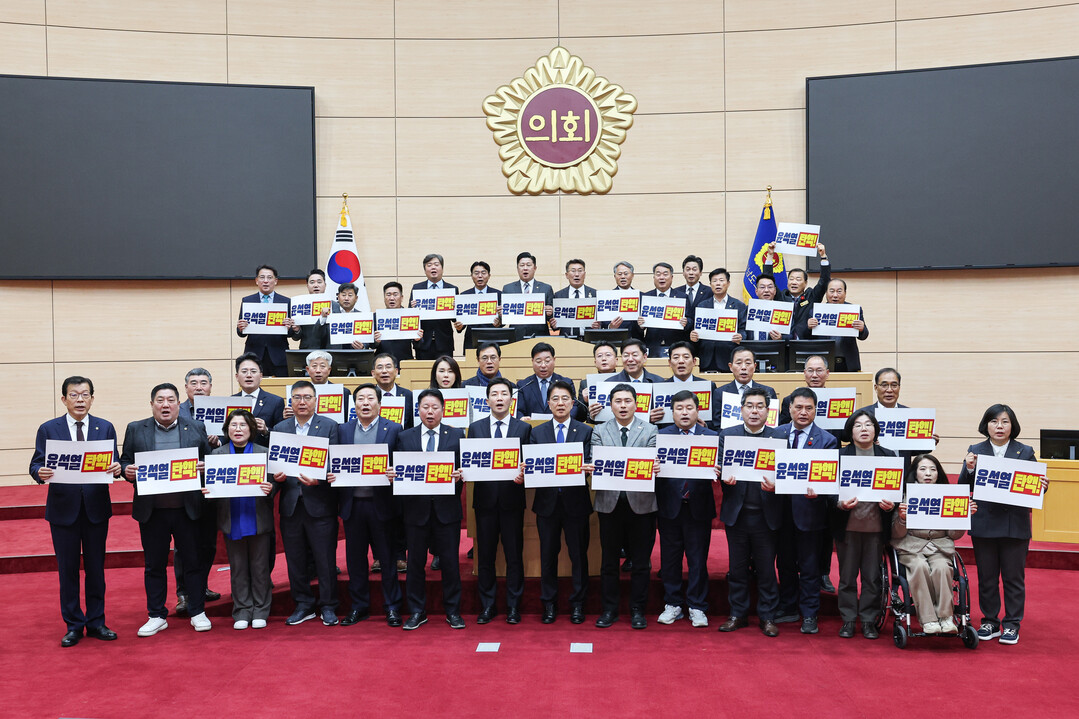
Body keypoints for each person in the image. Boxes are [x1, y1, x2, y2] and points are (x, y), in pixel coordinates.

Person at [29, 376, 122, 647]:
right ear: (64, 399)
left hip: (95, 509)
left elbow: (114, 462)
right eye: (74, 395)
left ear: (92, 398)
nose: (80, 400)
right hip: (63, 510)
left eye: (85, 394)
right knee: (67, 570)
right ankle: (73, 625)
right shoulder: (49, 429)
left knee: (96, 569)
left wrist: (116, 468)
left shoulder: (105, 427)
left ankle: (96, 622)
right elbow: (35, 464)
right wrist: (39, 471)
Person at [120, 383, 213, 636]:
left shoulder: (196, 427)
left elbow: (209, 459)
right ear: (152, 404)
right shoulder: (136, 428)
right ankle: (156, 615)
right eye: (160, 400)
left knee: (193, 563)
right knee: (154, 565)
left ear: (178, 404)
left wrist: (205, 466)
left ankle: (197, 611)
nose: (165, 405)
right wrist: (127, 471)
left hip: (187, 509)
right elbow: (125, 461)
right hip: (153, 512)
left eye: (171, 400)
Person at [959, 404, 1046, 646]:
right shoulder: (975, 450)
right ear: (986, 425)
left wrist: (1042, 486)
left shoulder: (1025, 451)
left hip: (1014, 524)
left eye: (1005, 421)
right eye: (994, 421)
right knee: (987, 577)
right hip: (985, 523)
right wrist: (969, 469)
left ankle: (1011, 624)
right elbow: (962, 486)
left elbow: (1034, 488)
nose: (999, 426)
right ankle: (989, 621)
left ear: (1012, 425)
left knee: (1013, 578)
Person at [390, 389, 467, 630]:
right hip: (416, 511)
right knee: (415, 564)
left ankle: (453, 611)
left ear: (443, 410)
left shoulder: (456, 435)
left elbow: (465, 469)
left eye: (435, 407)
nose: (430, 412)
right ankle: (416, 611)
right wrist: (393, 475)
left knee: (450, 564)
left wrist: (460, 476)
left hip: (447, 510)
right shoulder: (405, 437)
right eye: (425, 407)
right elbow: (399, 470)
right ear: (418, 410)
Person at [271, 380, 341, 627]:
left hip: (320, 503)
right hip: (291, 505)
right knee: (295, 559)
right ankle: (303, 604)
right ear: (290, 401)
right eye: (297, 397)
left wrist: (319, 479)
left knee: (325, 559)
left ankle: (329, 605)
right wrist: (276, 478)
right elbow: (274, 466)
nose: (302, 402)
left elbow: (335, 463)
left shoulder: (330, 426)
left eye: (307, 397)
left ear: (316, 400)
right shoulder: (280, 428)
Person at [717, 387, 784, 637]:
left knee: (766, 570)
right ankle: (738, 614)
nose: (754, 411)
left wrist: (778, 484)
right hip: (737, 514)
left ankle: (768, 616)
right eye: (749, 406)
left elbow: (786, 475)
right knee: (737, 568)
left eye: (759, 406)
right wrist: (723, 476)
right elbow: (718, 468)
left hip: (767, 516)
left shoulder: (778, 437)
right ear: (741, 409)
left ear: (768, 411)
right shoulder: (728, 435)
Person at [336, 384, 403, 627]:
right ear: (354, 405)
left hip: (381, 504)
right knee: (355, 560)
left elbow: (401, 462)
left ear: (380, 404)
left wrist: (396, 471)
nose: (365, 403)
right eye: (360, 399)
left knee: (387, 559)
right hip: (353, 504)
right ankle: (359, 606)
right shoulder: (343, 430)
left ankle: (392, 607)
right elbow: (335, 461)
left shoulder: (393, 429)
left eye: (370, 398)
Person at [592, 384, 658, 630]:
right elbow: (596, 460)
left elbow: (650, 461)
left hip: (641, 505)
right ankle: (609, 610)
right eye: (617, 401)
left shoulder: (650, 429)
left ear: (636, 404)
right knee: (609, 562)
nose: (622, 405)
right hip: (609, 504)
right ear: (610, 405)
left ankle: (638, 610)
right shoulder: (599, 430)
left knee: (641, 562)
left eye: (627, 401)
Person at [529, 380, 594, 624]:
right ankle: (549, 604)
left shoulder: (585, 431)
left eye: (565, 398)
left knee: (578, 556)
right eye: (555, 399)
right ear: (548, 403)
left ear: (573, 403)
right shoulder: (537, 433)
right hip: (547, 504)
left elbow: (589, 461)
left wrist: (588, 466)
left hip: (576, 503)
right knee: (547, 556)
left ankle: (578, 604)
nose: (560, 403)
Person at [773, 387, 837, 635]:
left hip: (810, 512)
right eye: (798, 407)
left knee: (810, 567)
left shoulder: (827, 440)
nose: (803, 412)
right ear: (789, 408)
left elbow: (828, 479)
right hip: (780, 512)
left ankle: (810, 613)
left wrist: (819, 490)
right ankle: (788, 607)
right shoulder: (775, 434)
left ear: (815, 410)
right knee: (785, 563)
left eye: (808, 408)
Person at [468, 378, 532, 624]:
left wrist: (525, 472)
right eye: (494, 394)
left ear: (511, 399)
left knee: (514, 556)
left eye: (504, 393)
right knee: (485, 556)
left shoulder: (523, 429)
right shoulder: (475, 428)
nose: (499, 398)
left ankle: (513, 606)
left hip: (512, 501)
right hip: (484, 502)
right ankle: (488, 606)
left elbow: (529, 465)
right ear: (487, 401)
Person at [205, 410, 274, 630]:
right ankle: (242, 609)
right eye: (233, 425)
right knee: (238, 567)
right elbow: (212, 485)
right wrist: (208, 490)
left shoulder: (264, 453)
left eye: (243, 425)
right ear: (227, 429)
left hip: (258, 516)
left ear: (251, 429)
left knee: (260, 567)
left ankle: (261, 609)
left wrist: (271, 487)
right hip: (231, 516)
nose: (238, 429)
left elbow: (275, 483)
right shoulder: (217, 454)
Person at [893, 454, 976, 635]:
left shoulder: (949, 495)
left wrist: (963, 517)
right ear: (915, 473)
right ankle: (929, 619)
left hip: (940, 546)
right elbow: (896, 534)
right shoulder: (903, 495)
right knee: (920, 567)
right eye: (922, 469)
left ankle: (946, 618)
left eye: (933, 469)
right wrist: (902, 519)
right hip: (911, 547)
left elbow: (953, 535)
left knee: (942, 568)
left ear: (939, 473)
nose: (928, 473)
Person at [656, 390, 718, 628]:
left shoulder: (711, 437)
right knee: (670, 560)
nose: (684, 412)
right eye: (679, 408)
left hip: (698, 507)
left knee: (698, 560)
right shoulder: (661, 436)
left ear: (698, 411)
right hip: (669, 507)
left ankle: (697, 605)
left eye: (689, 408)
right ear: (672, 412)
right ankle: (672, 603)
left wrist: (719, 468)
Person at [835, 409, 897, 639]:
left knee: (872, 578)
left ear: (875, 430)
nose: (864, 429)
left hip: (876, 527)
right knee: (847, 577)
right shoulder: (839, 456)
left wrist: (891, 505)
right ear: (850, 431)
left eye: (868, 424)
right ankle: (849, 620)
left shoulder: (888, 456)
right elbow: (829, 490)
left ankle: (869, 620)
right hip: (848, 526)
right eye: (858, 425)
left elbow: (898, 490)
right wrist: (840, 503)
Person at [174, 367, 221, 615]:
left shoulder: (221, 410)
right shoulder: (176, 411)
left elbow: (236, 437)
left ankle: (200, 586)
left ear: (210, 387)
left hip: (211, 485)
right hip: (184, 487)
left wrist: (218, 441)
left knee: (209, 542)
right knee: (184, 544)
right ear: (186, 388)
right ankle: (183, 593)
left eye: (204, 383)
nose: (199, 387)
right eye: (193, 383)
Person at [236, 264, 294, 377]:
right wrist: (241, 328)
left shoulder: (285, 301)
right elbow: (240, 333)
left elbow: (291, 333)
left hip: (278, 355)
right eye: (262, 277)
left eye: (269, 277)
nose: (266, 281)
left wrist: (289, 327)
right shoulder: (248, 301)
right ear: (256, 281)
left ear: (275, 281)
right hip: (254, 354)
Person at [766, 241, 830, 337]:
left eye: (798, 279)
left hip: (806, 342)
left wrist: (823, 256)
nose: (794, 282)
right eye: (791, 279)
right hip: (783, 341)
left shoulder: (811, 297)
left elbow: (824, 281)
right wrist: (770, 255)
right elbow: (768, 280)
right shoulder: (781, 297)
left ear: (805, 283)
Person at [689, 268, 747, 372]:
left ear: (728, 283)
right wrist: (694, 337)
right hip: (705, 357)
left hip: (728, 357)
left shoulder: (739, 305)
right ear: (710, 284)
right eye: (714, 281)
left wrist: (741, 336)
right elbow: (696, 330)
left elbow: (744, 329)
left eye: (721, 280)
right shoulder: (702, 306)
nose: (718, 284)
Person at [804, 278, 868, 371]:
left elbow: (864, 336)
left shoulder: (853, 310)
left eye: (839, 291)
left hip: (848, 362)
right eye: (831, 291)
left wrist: (861, 329)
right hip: (823, 362)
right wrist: (809, 327)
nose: (835, 295)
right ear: (826, 293)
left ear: (845, 293)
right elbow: (806, 337)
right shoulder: (815, 311)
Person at [712, 347, 777, 429]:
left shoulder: (768, 391)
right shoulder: (720, 393)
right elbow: (716, 425)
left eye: (748, 363)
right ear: (731, 367)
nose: (743, 367)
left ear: (754, 366)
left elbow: (774, 424)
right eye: (738, 363)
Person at [410, 254, 457, 360]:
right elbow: (411, 317)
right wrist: (413, 309)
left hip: (444, 343)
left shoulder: (452, 289)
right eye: (429, 265)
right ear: (425, 270)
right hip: (423, 343)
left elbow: (456, 319)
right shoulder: (417, 288)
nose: (433, 267)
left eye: (436, 264)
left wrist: (455, 309)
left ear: (442, 268)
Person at [638, 262, 689, 359]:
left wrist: (686, 322)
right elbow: (637, 327)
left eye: (665, 274)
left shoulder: (682, 297)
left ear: (672, 277)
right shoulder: (646, 297)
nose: (661, 277)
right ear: (654, 277)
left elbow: (690, 320)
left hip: (676, 344)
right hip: (652, 344)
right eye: (658, 274)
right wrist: (640, 326)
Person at [232, 353, 286, 442]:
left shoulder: (276, 402)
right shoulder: (231, 401)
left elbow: (282, 435)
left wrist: (266, 430)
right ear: (237, 377)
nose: (249, 375)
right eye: (244, 371)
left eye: (253, 371)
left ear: (261, 376)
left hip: (263, 448)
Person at [502, 251, 555, 341]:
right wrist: (501, 314)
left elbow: (553, 319)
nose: (525, 268)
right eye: (522, 265)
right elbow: (502, 321)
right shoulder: (508, 289)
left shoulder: (546, 288)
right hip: (516, 338)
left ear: (535, 268)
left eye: (528, 265)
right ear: (517, 268)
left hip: (540, 337)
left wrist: (551, 313)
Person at [516, 341, 577, 419]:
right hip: (531, 426)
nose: (543, 365)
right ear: (532, 361)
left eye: (547, 361)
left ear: (554, 360)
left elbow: (574, 406)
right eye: (538, 361)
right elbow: (518, 410)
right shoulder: (523, 385)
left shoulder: (566, 383)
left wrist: (565, 419)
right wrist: (521, 418)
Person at [454, 261, 502, 350]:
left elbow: (503, 321)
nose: (480, 276)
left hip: (493, 339)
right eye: (476, 273)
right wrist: (459, 326)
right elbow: (461, 324)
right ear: (471, 276)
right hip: (471, 341)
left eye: (483, 273)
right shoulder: (464, 296)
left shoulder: (498, 294)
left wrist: (500, 321)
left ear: (489, 275)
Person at [374, 281, 422, 364]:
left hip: (404, 361)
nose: (392, 298)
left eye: (395, 294)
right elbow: (371, 345)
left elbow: (419, 345)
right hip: (382, 362)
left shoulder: (410, 316)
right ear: (384, 297)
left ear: (402, 297)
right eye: (388, 295)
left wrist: (417, 339)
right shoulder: (376, 316)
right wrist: (376, 341)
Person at [553, 258, 597, 340]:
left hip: (588, 339)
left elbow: (601, 320)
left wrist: (598, 324)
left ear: (585, 274)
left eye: (580, 271)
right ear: (566, 275)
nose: (577, 274)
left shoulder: (595, 294)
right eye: (573, 271)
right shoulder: (559, 295)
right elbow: (555, 325)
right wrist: (554, 324)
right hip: (566, 339)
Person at [288, 269, 331, 349]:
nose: (316, 285)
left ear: (325, 285)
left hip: (329, 350)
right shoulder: (300, 305)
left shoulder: (334, 305)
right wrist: (297, 330)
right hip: (307, 350)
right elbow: (296, 338)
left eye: (319, 282)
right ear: (307, 286)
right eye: (312, 282)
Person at [372, 351, 414, 430]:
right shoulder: (368, 396)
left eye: (388, 367)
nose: (384, 371)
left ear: (396, 372)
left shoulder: (408, 395)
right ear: (373, 373)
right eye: (380, 367)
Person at [582, 341, 620, 423]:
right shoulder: (585, 383)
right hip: (596, 426)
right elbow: (580, 417)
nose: (604, 359)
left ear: (616, 360)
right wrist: (585, 402)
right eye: (599, 356)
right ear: (595, 362)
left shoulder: (625, 381)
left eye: (608, 355)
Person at [745, 273, 791, 341]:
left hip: (774, 346)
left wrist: (781, 338)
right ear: (756, 291)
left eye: (770, 287)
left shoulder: (783, 310)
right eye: (762, 287)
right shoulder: (747, 310)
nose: (766, 290)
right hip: (752, 346)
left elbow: (791, 335)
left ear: (775, 291)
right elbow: (742, 332)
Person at [328, 282, 369, 350]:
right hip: (333, 354)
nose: (346, 298)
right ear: (338, 297)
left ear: (356, 298)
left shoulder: (361, 316)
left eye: (350, 295)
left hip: (354, 354)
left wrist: (362, 347)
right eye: (343, 295)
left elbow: (367, 340)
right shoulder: (330, 314)